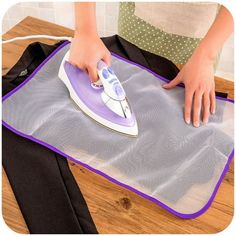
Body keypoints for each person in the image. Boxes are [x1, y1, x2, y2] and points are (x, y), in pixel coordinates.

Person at [69, 2, 233, 127]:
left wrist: (206, 56)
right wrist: (85, 30)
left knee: (180, 114)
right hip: (138, 21)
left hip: (201, 43)